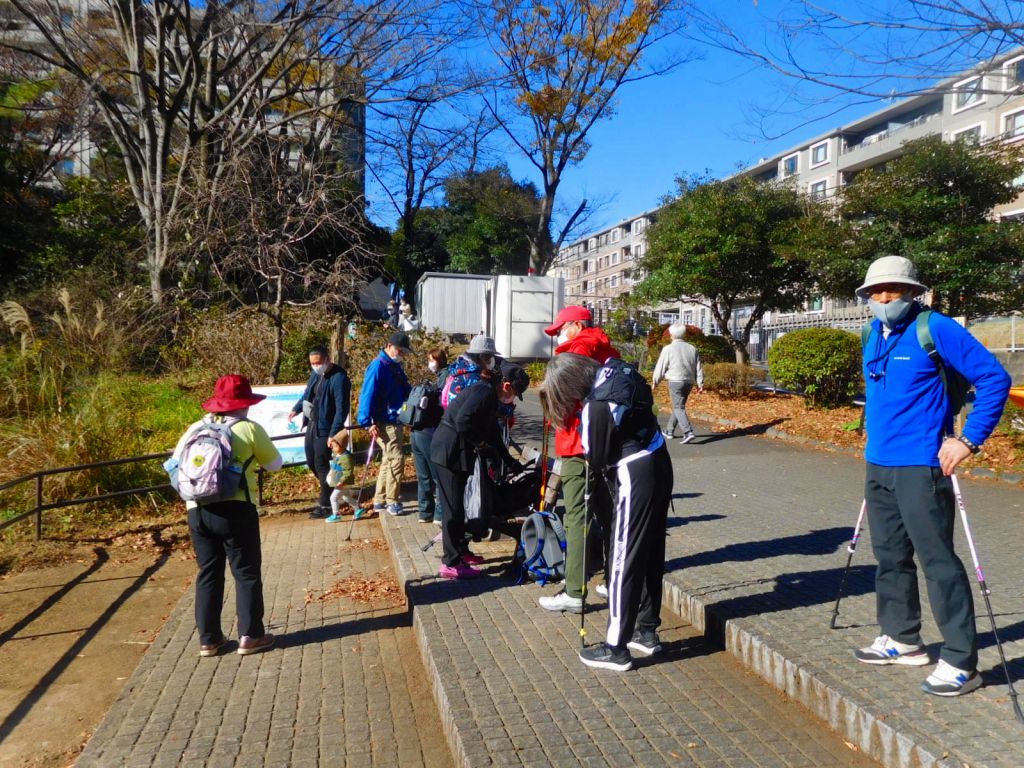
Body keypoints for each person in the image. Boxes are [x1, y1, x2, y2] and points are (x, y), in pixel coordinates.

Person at [853, 255, 1011, 697]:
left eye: (894, 291)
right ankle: (903, 639)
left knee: (939, 563)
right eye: (876, 293)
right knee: (889, 558)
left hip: (923, 466)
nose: (884, 299)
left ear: (912, 292)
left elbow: (994, 378)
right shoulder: (870, 333)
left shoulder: (934, 328)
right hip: (878, 464)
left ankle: (962, 660)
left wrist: (968, 440)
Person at [540, 353, 672, 671]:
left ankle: (616, 648)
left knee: (622, 556)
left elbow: (595, 460)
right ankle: (647, 631)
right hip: (658, 460)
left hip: (633, 473)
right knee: (651, 551)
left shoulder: (595, 406)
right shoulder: (615, 371)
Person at [173, 374, 283, 657]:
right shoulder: (249, 429)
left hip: (197, 509)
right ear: (244, 403)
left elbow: (174, 464)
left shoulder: (195, 427)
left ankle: (209, 640)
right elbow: (275, 464)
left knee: (208, 573)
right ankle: (251, 636)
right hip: (236, 509)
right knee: (245, 573)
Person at [538, 305, 620, 614]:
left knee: (577, 519)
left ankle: (573, 590)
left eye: (560, 328)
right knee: (609, 516)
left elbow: (565, 401)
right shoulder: (609, 351)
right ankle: (615, 583)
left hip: (576, 446)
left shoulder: (578, 348)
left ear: (575, 325)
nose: (558, 335)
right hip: (605, 446)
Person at [430, 336, 526, 579]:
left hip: (458, 451)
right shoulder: (483, 391)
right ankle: (451, 563)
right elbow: (463, 421)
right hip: (449, 451)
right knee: (452, 509)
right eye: (515, 393)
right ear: (506, 386)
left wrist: (508, 459)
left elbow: (493, 433)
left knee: (459, 505)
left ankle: (460, 551)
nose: (513, 399)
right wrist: (480, 445)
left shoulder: (489, 395)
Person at [289, 345, 351, 519]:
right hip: (313, 424)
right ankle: (333, 490)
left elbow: (341, 408)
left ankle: (326, 504)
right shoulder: (315, 375)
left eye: (318, 363)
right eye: (312, 363)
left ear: (327, 359)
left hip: (327, 427)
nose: (315, 366)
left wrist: (334, 431)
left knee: (321, 462)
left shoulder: (339, 378)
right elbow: (307, 395)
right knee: (311, 461)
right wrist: (297, 408)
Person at [357, 331, 413, 516]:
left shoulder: (392, 366)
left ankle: (380, 499)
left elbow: (405, 389)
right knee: (396, 459)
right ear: (389, 346)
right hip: (384, 420)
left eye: (404, 352)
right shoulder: (378, 366)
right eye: (399, 350)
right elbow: (367, 394)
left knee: (388, 460)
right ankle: (392, 501)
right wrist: (366, 422)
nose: (401, 354)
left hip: (393, 419)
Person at [411, 348, 449, 524]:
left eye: (431, 360)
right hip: (429, 432)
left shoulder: (438, 379)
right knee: (438, 476)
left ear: (438, 360)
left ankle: (425, 513)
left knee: (423, 476)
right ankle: (439, 515)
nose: (430, 364)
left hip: (416, 431)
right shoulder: (446, 377)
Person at [652, 323, 704, 443]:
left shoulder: (668, 349)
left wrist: (655, 381)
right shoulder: (692, 348)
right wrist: (700, 383)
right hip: (689, 381)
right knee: (679, 406)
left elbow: (661, 366)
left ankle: (688, 432)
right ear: (684, 334)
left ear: (671, 335)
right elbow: (698, 367)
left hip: (675, 381)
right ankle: (669, 431)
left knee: (678, 406)